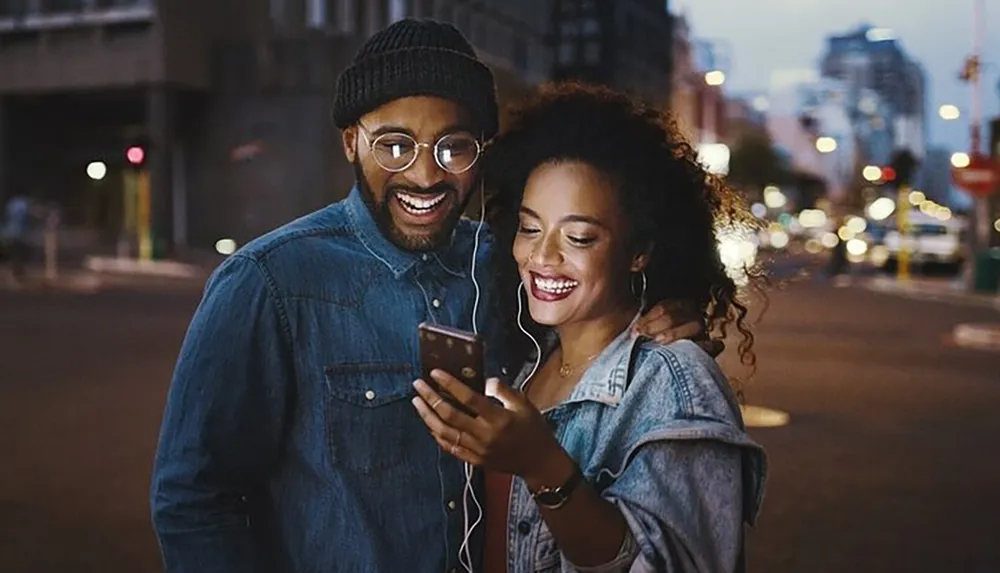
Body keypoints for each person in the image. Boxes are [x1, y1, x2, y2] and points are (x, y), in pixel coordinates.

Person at [150, 20, 707, 573]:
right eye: (394, 145)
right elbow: (195, 500)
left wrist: (665, 310)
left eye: (453, 147)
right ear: (351, 142)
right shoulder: (268, 281)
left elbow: (598, 337)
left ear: (481, 150)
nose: (424, 175)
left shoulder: (511, 264)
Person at [410, 82, 768, 573]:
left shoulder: (674, 380)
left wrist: (542, 464)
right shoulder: (526, 360)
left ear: (639, 250)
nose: (542, 257)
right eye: (530, 227)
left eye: (578, 237)